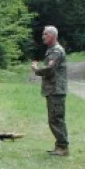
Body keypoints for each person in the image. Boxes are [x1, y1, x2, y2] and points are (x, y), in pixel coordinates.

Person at [31, 25, 68, 156]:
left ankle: (63, 147)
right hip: (53, 89)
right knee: (54, 119)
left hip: (56, 90)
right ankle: (60, 145)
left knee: (56, 119)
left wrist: (36, 69)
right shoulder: (51, 50)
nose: (43, 36)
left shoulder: (57, 51)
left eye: (45, 34)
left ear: (52, 35)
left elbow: (49, 69)